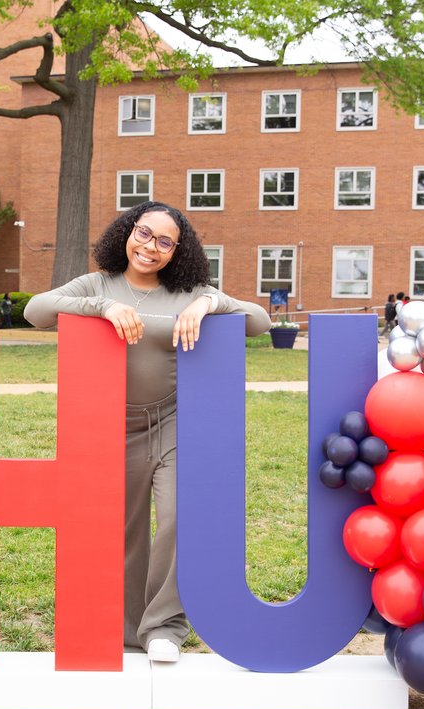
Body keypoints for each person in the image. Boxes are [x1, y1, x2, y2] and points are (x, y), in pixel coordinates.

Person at [24, 200, 270, 663]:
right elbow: (36, 310)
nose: (150, 247)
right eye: (144, 233)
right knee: (127, 533)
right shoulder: (98, 283)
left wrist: (209, 301)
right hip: (113, 428)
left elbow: (260, 321)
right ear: (127, 232)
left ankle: (164, 626)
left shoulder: (188, 291)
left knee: (177, 516)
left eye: (164, 242)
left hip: (173, 422)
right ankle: (128, 628)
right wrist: (102, 307)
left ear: (177, 251)